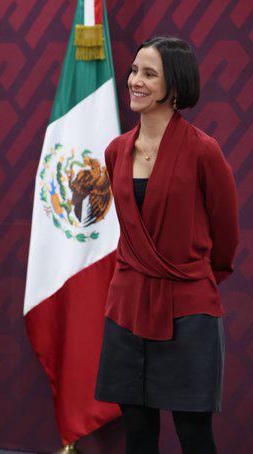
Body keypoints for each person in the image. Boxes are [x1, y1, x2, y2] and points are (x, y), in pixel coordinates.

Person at [94, 36, 238, 454]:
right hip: (127, 307)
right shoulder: (115, 151)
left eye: (149, 74)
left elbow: (226, 237)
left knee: (194, 435)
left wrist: (194, 281)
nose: (135, 81)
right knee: (138, 435)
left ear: (175, 86)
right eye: (134, 71)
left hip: (188, 309)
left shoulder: (204, 152)